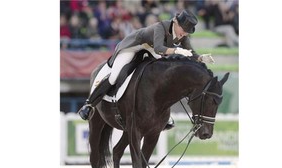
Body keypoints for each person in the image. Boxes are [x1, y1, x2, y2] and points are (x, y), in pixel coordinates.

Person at [78, 9, 214, 129]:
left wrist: (200, 58)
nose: (184, 34)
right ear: (176, 23)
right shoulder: (161, 27)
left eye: (186, 32)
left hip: (149, 52)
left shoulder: (182, 36)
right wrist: (177, 50)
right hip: (133, 47)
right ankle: (89, 105)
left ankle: (163, 115)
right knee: (115, 76)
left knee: (162, 77)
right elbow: (159, 48)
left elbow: (190, 51)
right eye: (183, 30)